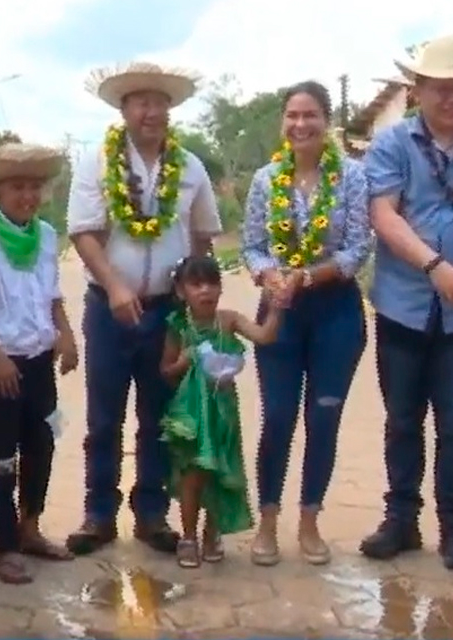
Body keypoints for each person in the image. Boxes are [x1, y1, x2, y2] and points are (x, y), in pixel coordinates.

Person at [360, 37, 453, 573]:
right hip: (403, 305)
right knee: (403, 418)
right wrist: (435, 266)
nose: (452, 99)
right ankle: (401, 521)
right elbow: (385, 216)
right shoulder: (392, 146)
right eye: (441, 89)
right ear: (418, 90)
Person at [65, 62, 223, 556]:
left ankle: (152, 515)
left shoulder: (191, 167)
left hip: (165, 314)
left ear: (170, 109)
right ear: (123, 109)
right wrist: (114, 286)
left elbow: (203, 237)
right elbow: (83, 232)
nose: (151, 111)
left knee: (159, 416)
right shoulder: (96, 161)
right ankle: (98, 513)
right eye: (140, 101)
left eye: (159, 102)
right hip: (109, 310)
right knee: (103, 417)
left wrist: (197, 304)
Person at [241, 81, 373, 567]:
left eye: (311, 115)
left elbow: (359, 247)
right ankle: (268, 520)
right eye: (292, 115)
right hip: (281, 313)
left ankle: (310, 520)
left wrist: (308, 275)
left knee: (324, 417)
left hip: (335, 310)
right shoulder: (265, 179)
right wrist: (270, 275)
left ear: (327, 120)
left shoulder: (353, 178)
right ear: (283, 122)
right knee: (277, 416)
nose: (301, 125)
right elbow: (253, 245)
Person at [0, 142, 79, 583]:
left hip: (40, 360)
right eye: (17, 187)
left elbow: (52, 293)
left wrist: (67, 335)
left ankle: (31, 529)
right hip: (1, 366)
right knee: (2, 456)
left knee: (43, 442)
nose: (27, 196)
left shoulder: (44, 235)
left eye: (34, 187)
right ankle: (6, 546)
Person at [160, 255, 282, 569]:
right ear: (181, 290)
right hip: (191, 413)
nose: (205, 291)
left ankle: (212, 533)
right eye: (196, 284)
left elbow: (264, 336)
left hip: (222, 411)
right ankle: (188, 536)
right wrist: (185, 360)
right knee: (193, 474)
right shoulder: (179, 326)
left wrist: (277, 303)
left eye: (212, 283)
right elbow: (166, 370)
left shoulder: (228, 320)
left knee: (220, 470)